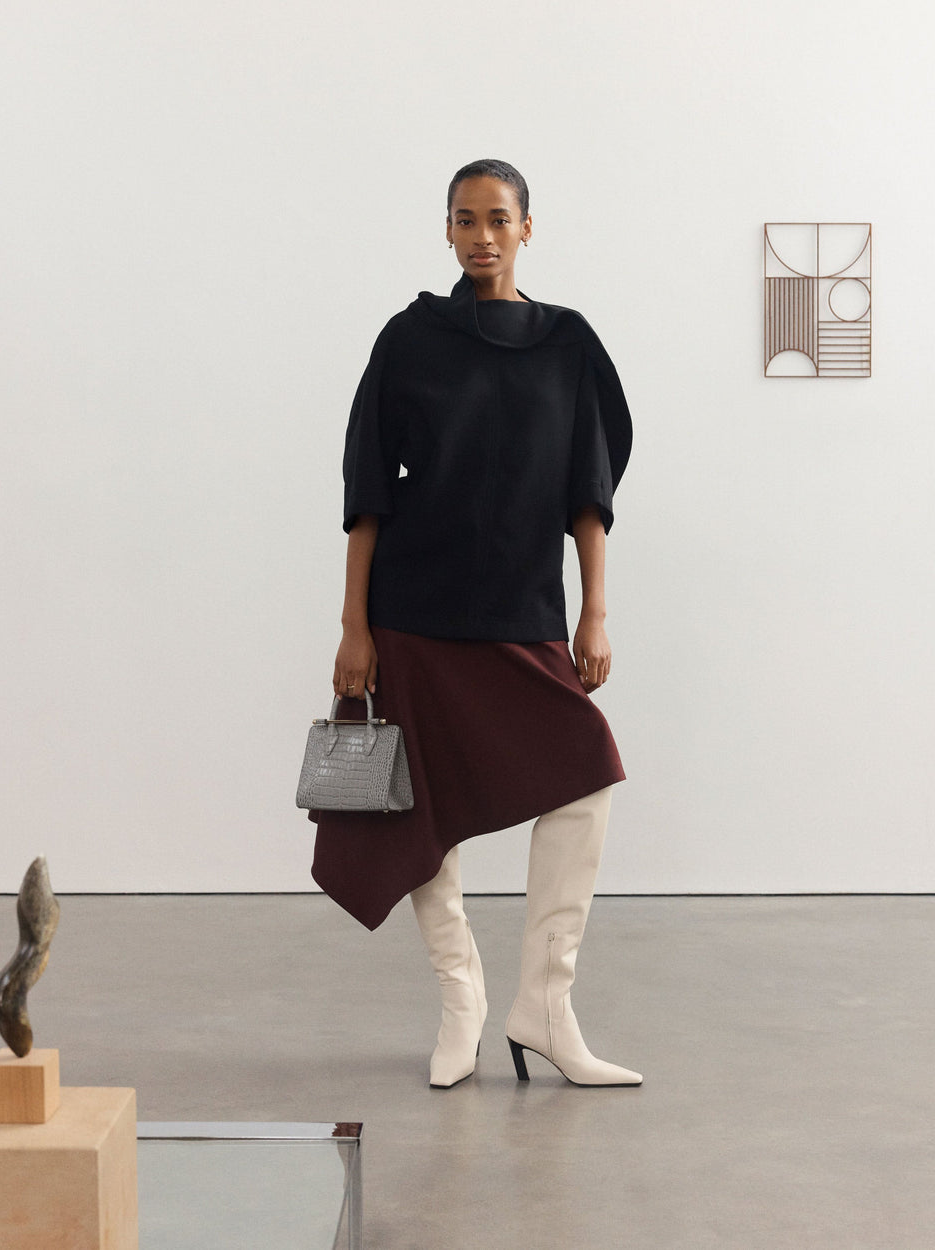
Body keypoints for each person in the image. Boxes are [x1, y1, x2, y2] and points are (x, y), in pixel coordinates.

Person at [309, 158, 641, 1088]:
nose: (482, 235)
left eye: (499, 218)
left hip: (524, 606)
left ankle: (546, 1009)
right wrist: (353, 625)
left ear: (528, 228)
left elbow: (589, 490)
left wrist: (594, 612)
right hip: (413, 611)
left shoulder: (568, 343)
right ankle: (461, 1000)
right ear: (447, 230)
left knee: (585, 772)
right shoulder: (410, 339)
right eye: (465, 219)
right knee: (425, 807)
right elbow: (367, 490)